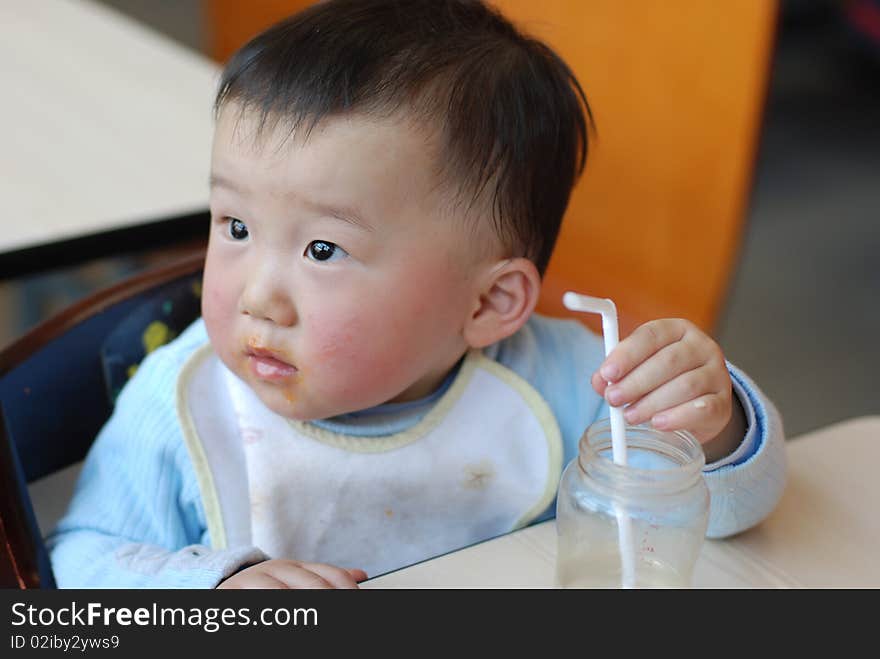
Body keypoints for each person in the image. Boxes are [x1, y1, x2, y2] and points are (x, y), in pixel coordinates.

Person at [47, 0, 786, 589]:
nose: (259, 298)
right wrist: (217, 588)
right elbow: (76, 567)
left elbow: (723, 518)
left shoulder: (566, 382)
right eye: (235, 224)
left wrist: (713, 428)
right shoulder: (181, 403)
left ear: (489, 305)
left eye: (323, 249)